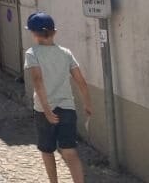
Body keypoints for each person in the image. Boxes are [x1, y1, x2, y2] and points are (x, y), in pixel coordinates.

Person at [24, 12, 93, 183]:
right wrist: (87, 104)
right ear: (54, 32)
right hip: (67, 108)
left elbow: (38, 81)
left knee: (47, 150)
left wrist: (47, 110)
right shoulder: (65, 53)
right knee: (69, 150)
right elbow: (81, 81)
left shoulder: (32, 53)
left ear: (33, 33)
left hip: (44, 110)